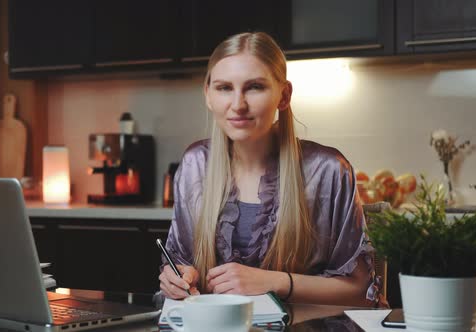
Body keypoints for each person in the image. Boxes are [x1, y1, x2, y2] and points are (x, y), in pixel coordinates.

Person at [158, 32, 384, 307]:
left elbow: (360, 289)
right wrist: (177, 277)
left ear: (284, 95)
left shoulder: (328, 170)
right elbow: (180, 264)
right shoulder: (195, 164)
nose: (238, 104)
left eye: (254, 87)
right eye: (224, 88)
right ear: (208, 95)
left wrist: (275, 281)